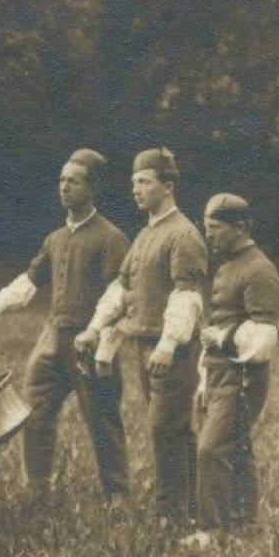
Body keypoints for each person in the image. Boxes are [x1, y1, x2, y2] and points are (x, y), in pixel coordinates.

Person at [0, 149, 130, 501]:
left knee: (101, 419)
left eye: (73, 181)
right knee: (35, 411)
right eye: (61, 180)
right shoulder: (56, 238)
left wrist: (101, 344)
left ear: (92, 189)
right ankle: (37, 489)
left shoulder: (111, 238)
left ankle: (117, 495)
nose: (64, 187)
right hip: (51, 337)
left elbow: (119, 296)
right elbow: (28, 282)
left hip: (89, 342)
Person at [75, 148, 207, 525]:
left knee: (165, 429)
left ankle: (173, 516)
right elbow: (121, 289)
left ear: (167, 186)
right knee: (172, 431)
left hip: (173, 352)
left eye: (144, 182)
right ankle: (190, 508)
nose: (136, 189)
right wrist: (96, 331)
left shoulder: (183, 235)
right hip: (145, 348)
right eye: (133, 182)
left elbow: (188, 297)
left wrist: (167, 346)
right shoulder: (146, 234)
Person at [193, 193, 279, 535]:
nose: (208, 235)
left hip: (242, 377)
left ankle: (211, 531)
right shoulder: (229, 264)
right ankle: (244, 524)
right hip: (219, 375)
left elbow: (263, 338)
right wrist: (205, 379)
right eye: (206, 227)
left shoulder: (259, 270)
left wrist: (220, 338)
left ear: (240, 227)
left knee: (211, 450)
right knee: (236, 448)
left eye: (215, 228)